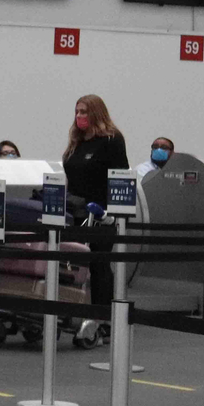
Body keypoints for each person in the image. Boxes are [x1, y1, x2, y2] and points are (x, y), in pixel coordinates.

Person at [62, 94, 128, 307]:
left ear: (96, 113)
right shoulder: (77, 141)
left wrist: (113, 213)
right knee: (73, 261)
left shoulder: (111, 140)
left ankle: (103, 314)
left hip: (100, 213)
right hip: (75, 210)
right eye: (77, 111)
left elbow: (121, 175)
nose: (79, 116)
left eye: (84, 111)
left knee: (99, 262)